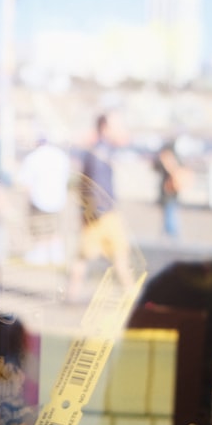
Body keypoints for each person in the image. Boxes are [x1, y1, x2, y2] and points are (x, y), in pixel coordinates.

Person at [67, 114, 134, 301]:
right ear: (105, 127)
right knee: (115, 254)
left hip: (98, 213)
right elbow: (92, 184)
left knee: (87, 256)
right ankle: (130, 294)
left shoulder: (96, 150)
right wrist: (96, 211)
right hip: (103, 214)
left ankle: (72, 295)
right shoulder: (99, 151)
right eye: (115, 125)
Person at [17, 135, 71, 265]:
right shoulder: (60, 155)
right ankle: (56, 254)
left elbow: (25, 181)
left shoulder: (33, 157)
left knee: (39, 226)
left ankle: (40, 254)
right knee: (54, 227)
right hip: (58, 199)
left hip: (39, 199)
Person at [154, 139, 187, 240]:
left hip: (169, 191)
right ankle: (170, 235)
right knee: (170, 212)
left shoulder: (167, 159)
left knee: (170, 213)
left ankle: (171, 235)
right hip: (171, 191)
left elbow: (157, 168)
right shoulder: (175, 158)